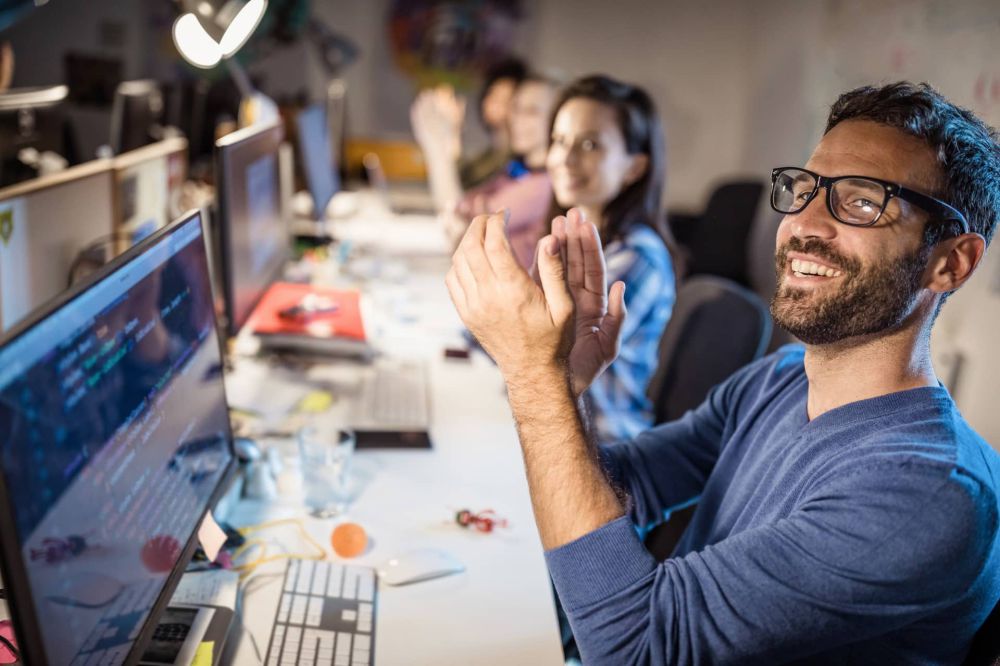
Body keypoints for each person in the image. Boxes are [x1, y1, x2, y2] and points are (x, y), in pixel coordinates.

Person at [446, 81, 1000, 663]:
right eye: (805, 189)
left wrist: (534, 377)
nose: (804, 223)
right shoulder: (779, 379)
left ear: (951, 262)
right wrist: (561, 381)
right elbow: (627, 487)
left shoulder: (929, 493)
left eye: (863, 202)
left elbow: (634, 651)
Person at [543, 75, 677, 442]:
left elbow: (551, 354)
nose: (565, 159)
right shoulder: (578, 238)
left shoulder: (638, 257)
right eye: (559, 141)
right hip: (560, 428)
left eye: (589, 144)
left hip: (602, 446)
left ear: (634, 168)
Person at [449, 73, 559, 268]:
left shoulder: (545, 184)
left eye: (532, 111)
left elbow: (469, 231)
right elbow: (462, 207)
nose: (517, 119)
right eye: (516, 108)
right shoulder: (517, 170)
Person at [411, 58, 527, 210]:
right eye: (492, 94)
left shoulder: (514, 161)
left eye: (504, 98)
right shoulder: (494, 152)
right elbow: (462, 179)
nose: (493, 103)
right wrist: (454, 131)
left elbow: (462, 194)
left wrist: (445, 134)